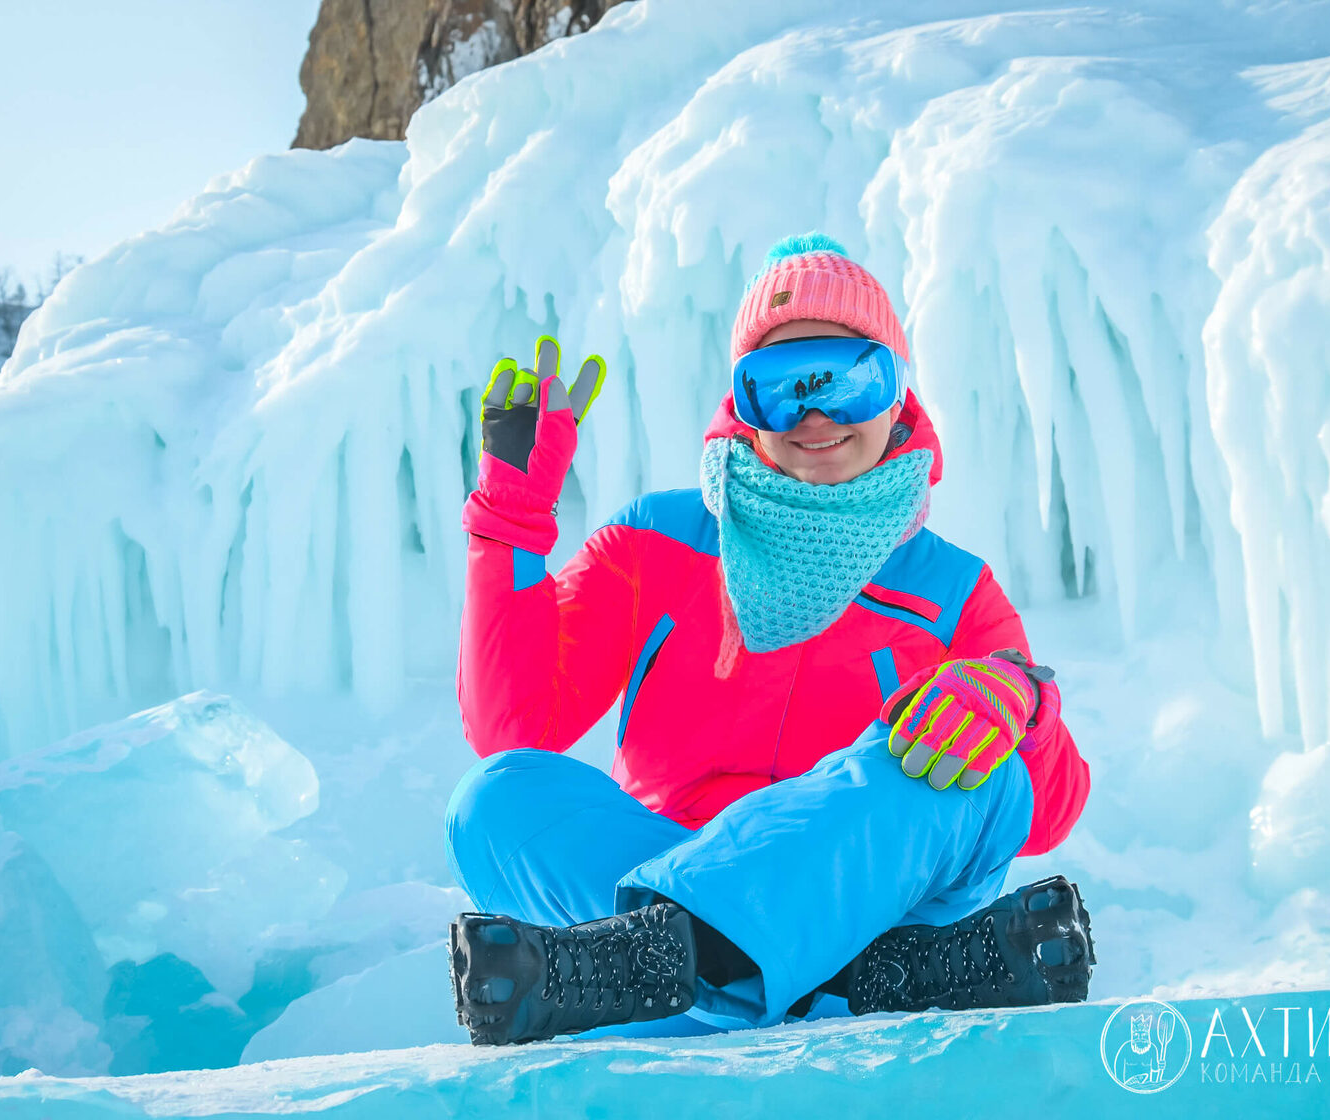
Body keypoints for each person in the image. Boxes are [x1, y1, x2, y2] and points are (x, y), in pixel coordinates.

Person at [445, 233, 1093, 1046]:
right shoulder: (659, 542)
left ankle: (678, 965)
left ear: (897, 394)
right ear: (744, 409)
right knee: (494, 800)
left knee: (975, 764)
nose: (817, 415)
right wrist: (509, 523)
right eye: (780, 389)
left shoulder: (954, 590)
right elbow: (514, 725)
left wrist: (1021, 703)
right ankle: (861, 980)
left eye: (850, 381)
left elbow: (1046, 810)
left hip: (826, 898)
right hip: (663, 881)